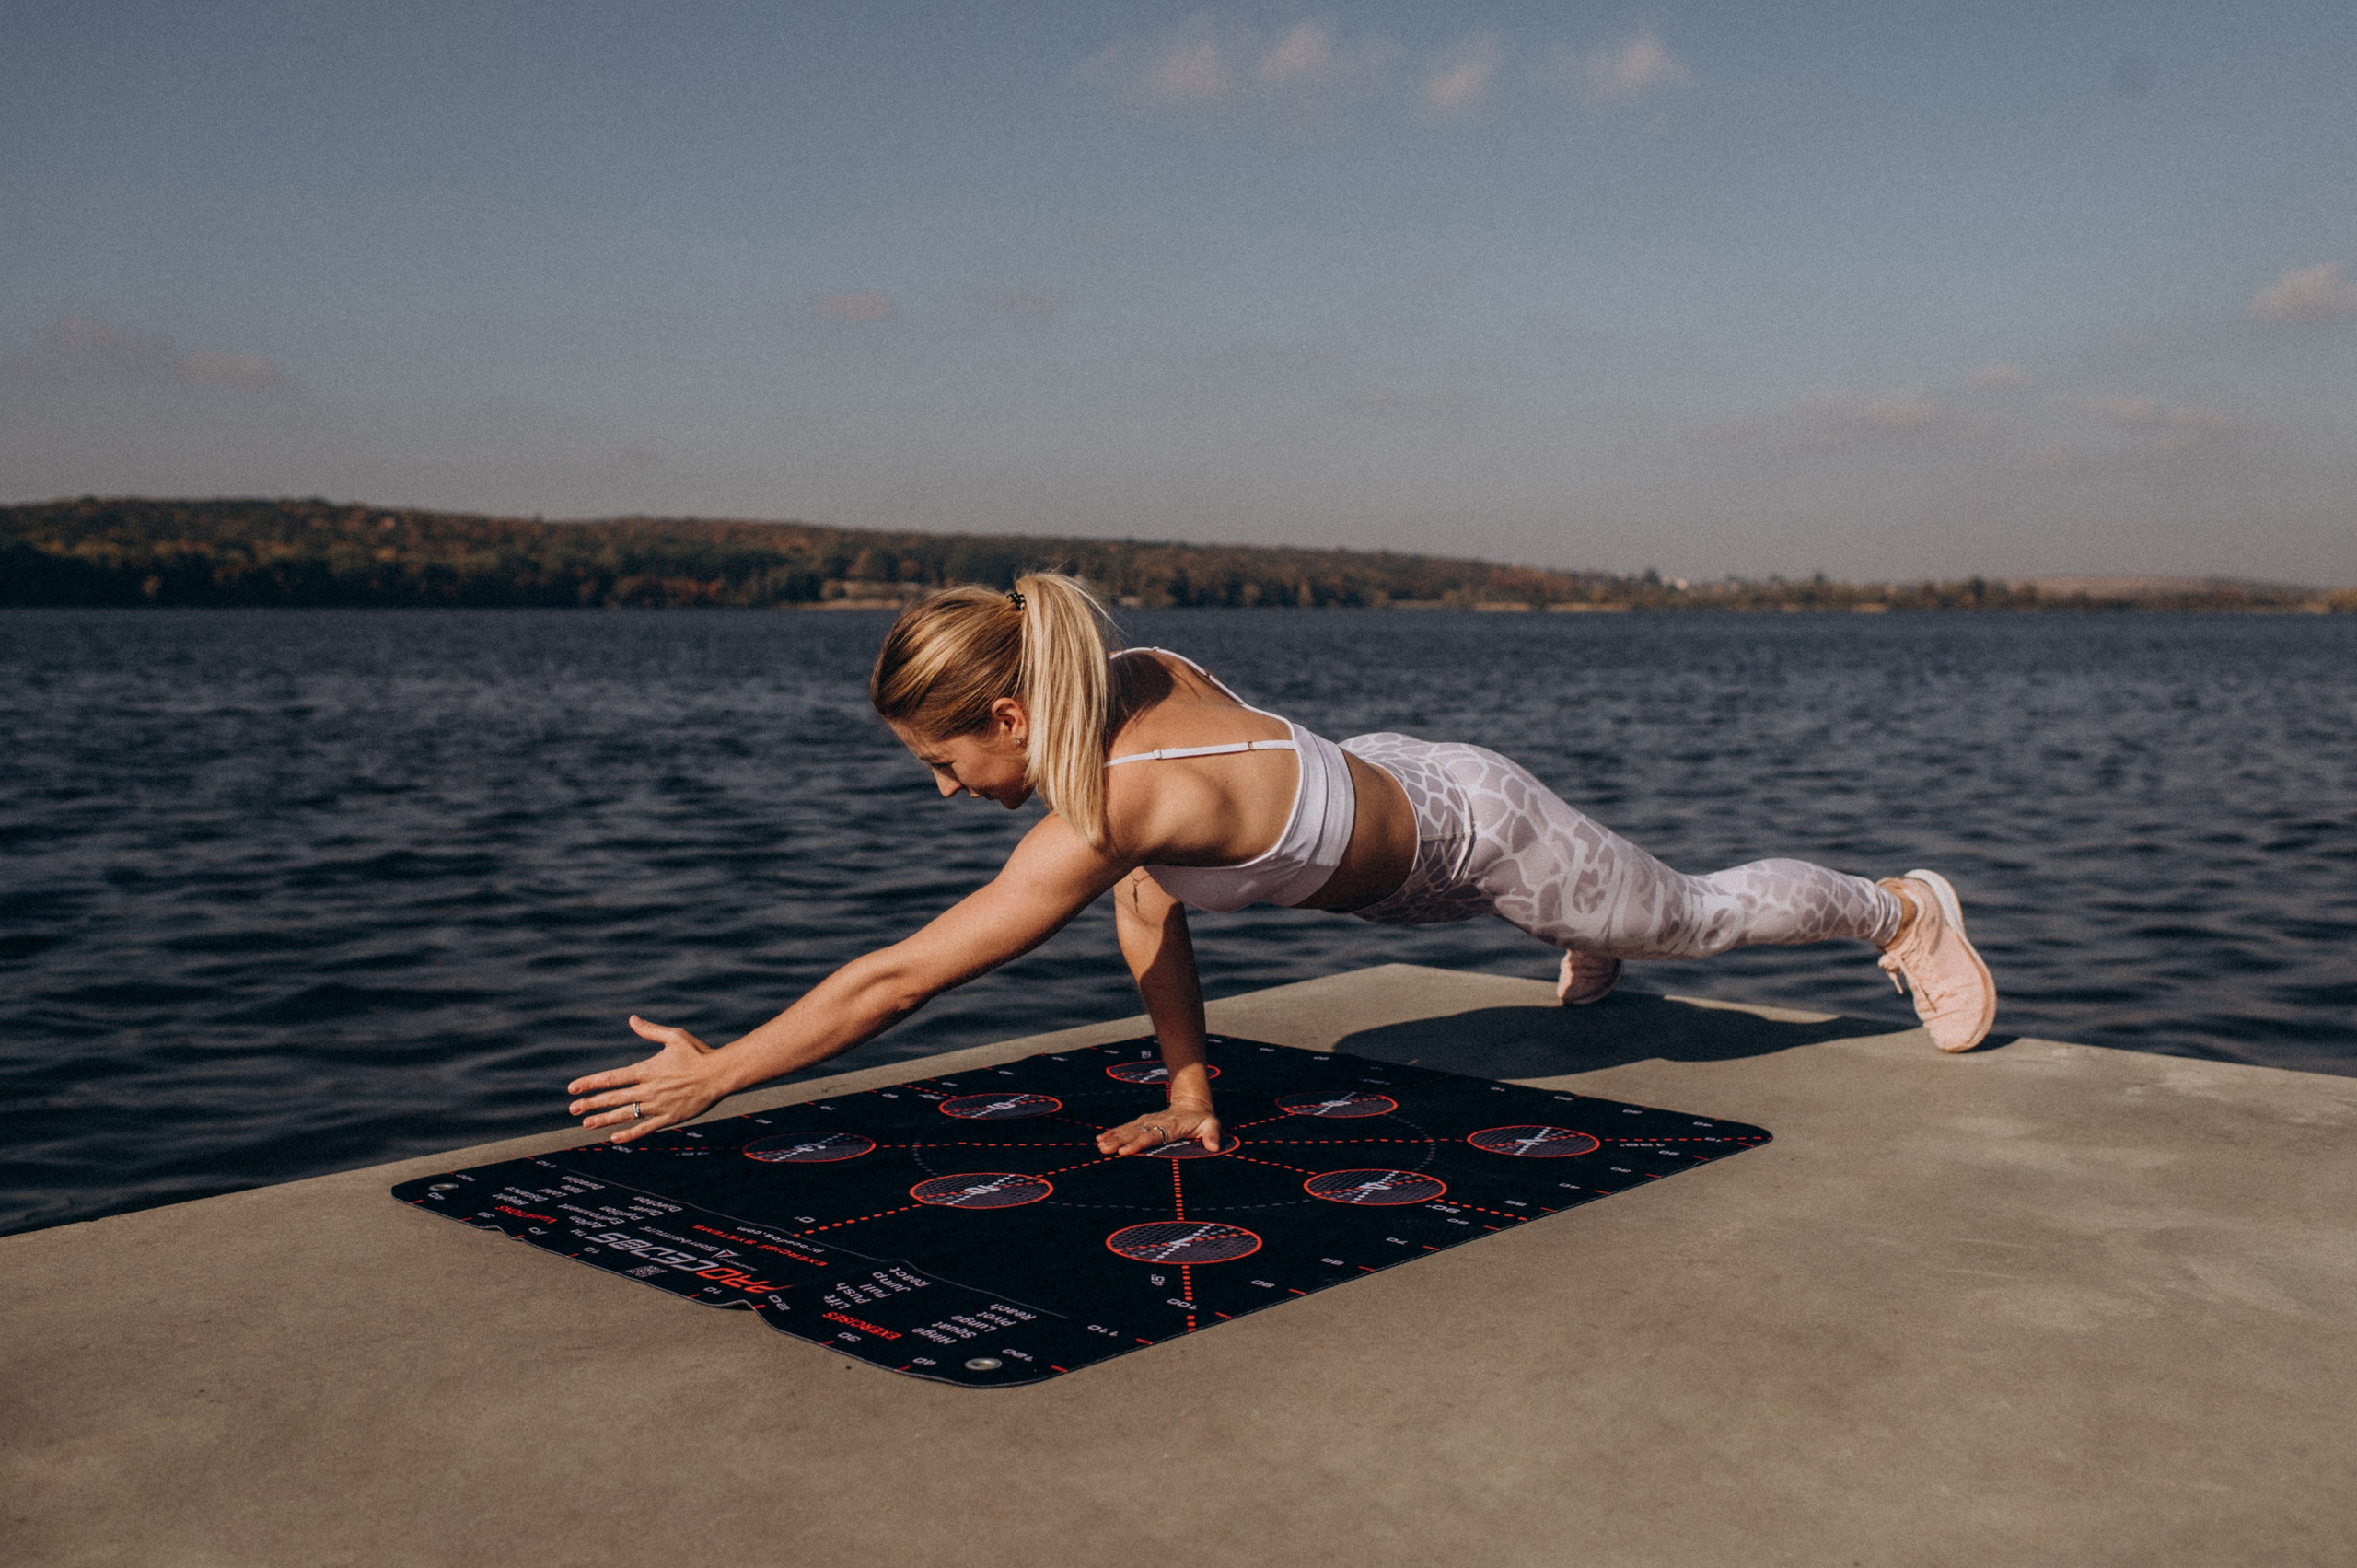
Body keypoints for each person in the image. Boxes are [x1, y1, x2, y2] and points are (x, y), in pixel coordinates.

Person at [567, 573, 1996, 1155]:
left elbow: (900, 981)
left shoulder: (1110, 801)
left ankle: (1900, 912)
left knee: (1693, 916)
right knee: (1582, 910)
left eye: (949, 763)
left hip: (1471, 836)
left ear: (1011, 715)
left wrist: (719, 1074)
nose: (948, 794)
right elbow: (1146, 909)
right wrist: (1190, 1089)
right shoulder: (1115, 680)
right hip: (1401, 791)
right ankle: (1589, 937)